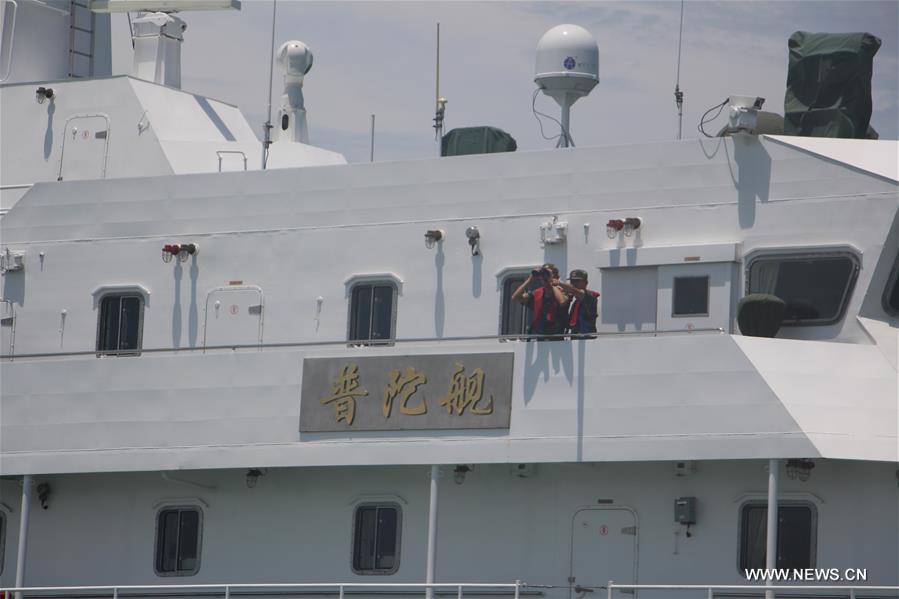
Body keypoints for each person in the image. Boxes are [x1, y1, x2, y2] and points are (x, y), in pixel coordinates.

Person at [511, 263, 569, 338]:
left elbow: (562, 302)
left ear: (556, 277)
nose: (544, 277)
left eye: (547, 274)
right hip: (540, 336)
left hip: (557, 337)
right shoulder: (537, 293)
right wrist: (530, 279)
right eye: (542, 275)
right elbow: (515, 297)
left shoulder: (562, 292)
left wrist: (551, 282)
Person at [558, 269, 600, 337]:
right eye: (572, 281)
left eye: (577, 281)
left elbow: (575, 291)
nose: (574, 284)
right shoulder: (575, 301)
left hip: (586, 337)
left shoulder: (590, 297)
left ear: (586, 282)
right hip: (575, 336)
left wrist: (558, 283)